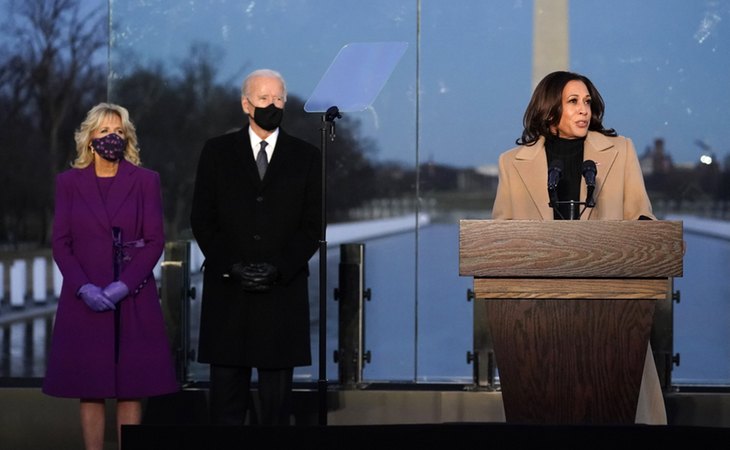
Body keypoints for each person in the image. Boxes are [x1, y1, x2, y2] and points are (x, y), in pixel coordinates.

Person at [491, 70, 666, 425]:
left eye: (587, 102)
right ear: (549, 109)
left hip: (611, 312)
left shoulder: (621, 151)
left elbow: (642, 219)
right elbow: (499, 238)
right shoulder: (512, 163)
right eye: (573, 102)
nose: (583, 110)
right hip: (539, 319)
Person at [43, 103, 179, 450]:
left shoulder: (146, 181)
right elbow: (61, 242)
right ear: (89, 139)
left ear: (127, 137)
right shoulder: (69, 183)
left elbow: (154, 241)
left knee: (130, 387)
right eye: (104, 132)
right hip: (85, 298)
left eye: (118, 132)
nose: (112, 138)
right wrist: (83, 287)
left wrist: (124, 285)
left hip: (131, 297)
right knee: (90, 388)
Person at [190, 68, 322, 425]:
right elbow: (203, 219)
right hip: (228, 295)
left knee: (275, 412)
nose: (273, 105)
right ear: (246, 104)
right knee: (226, 409)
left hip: (282, 295)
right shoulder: (216, 152)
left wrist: (279, 267)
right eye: (264, 99)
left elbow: (313, 226)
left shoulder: (307, 156)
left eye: (279, 98)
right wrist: (231, 265)